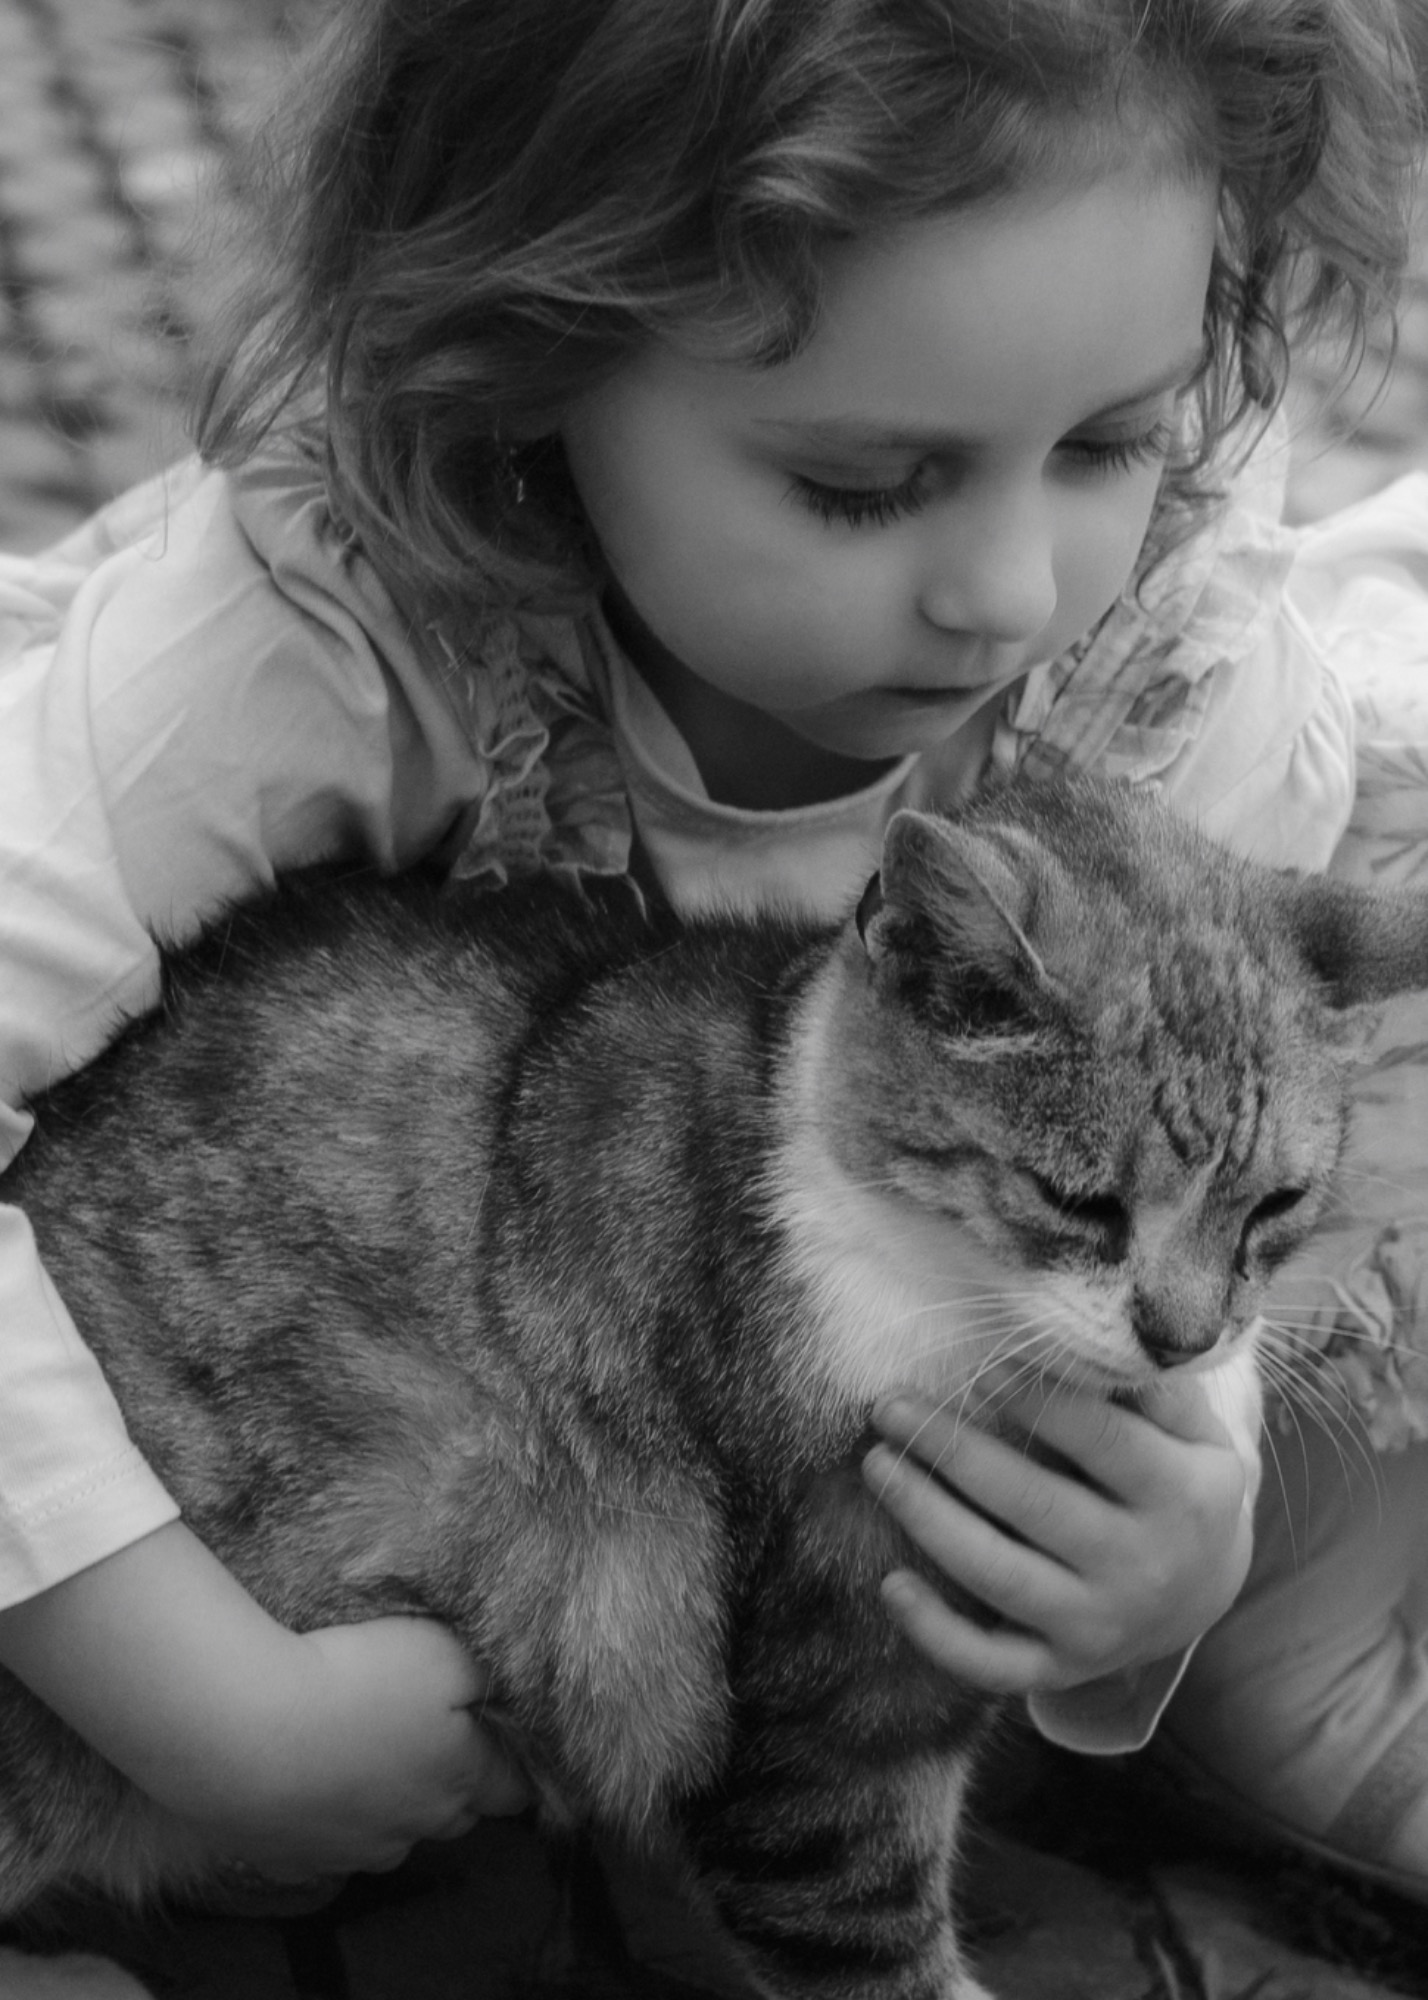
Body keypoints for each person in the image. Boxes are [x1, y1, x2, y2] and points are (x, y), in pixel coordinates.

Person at [0, 0, 1423, 1912]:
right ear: (529, 356)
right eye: (863, 483)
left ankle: (1298, 1653)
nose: (1010, 590)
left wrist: (1190, 1522)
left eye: (1110, 441)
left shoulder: (1175, 667)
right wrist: (203, 1703)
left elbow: (1212, 1189)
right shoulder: (298, 625)